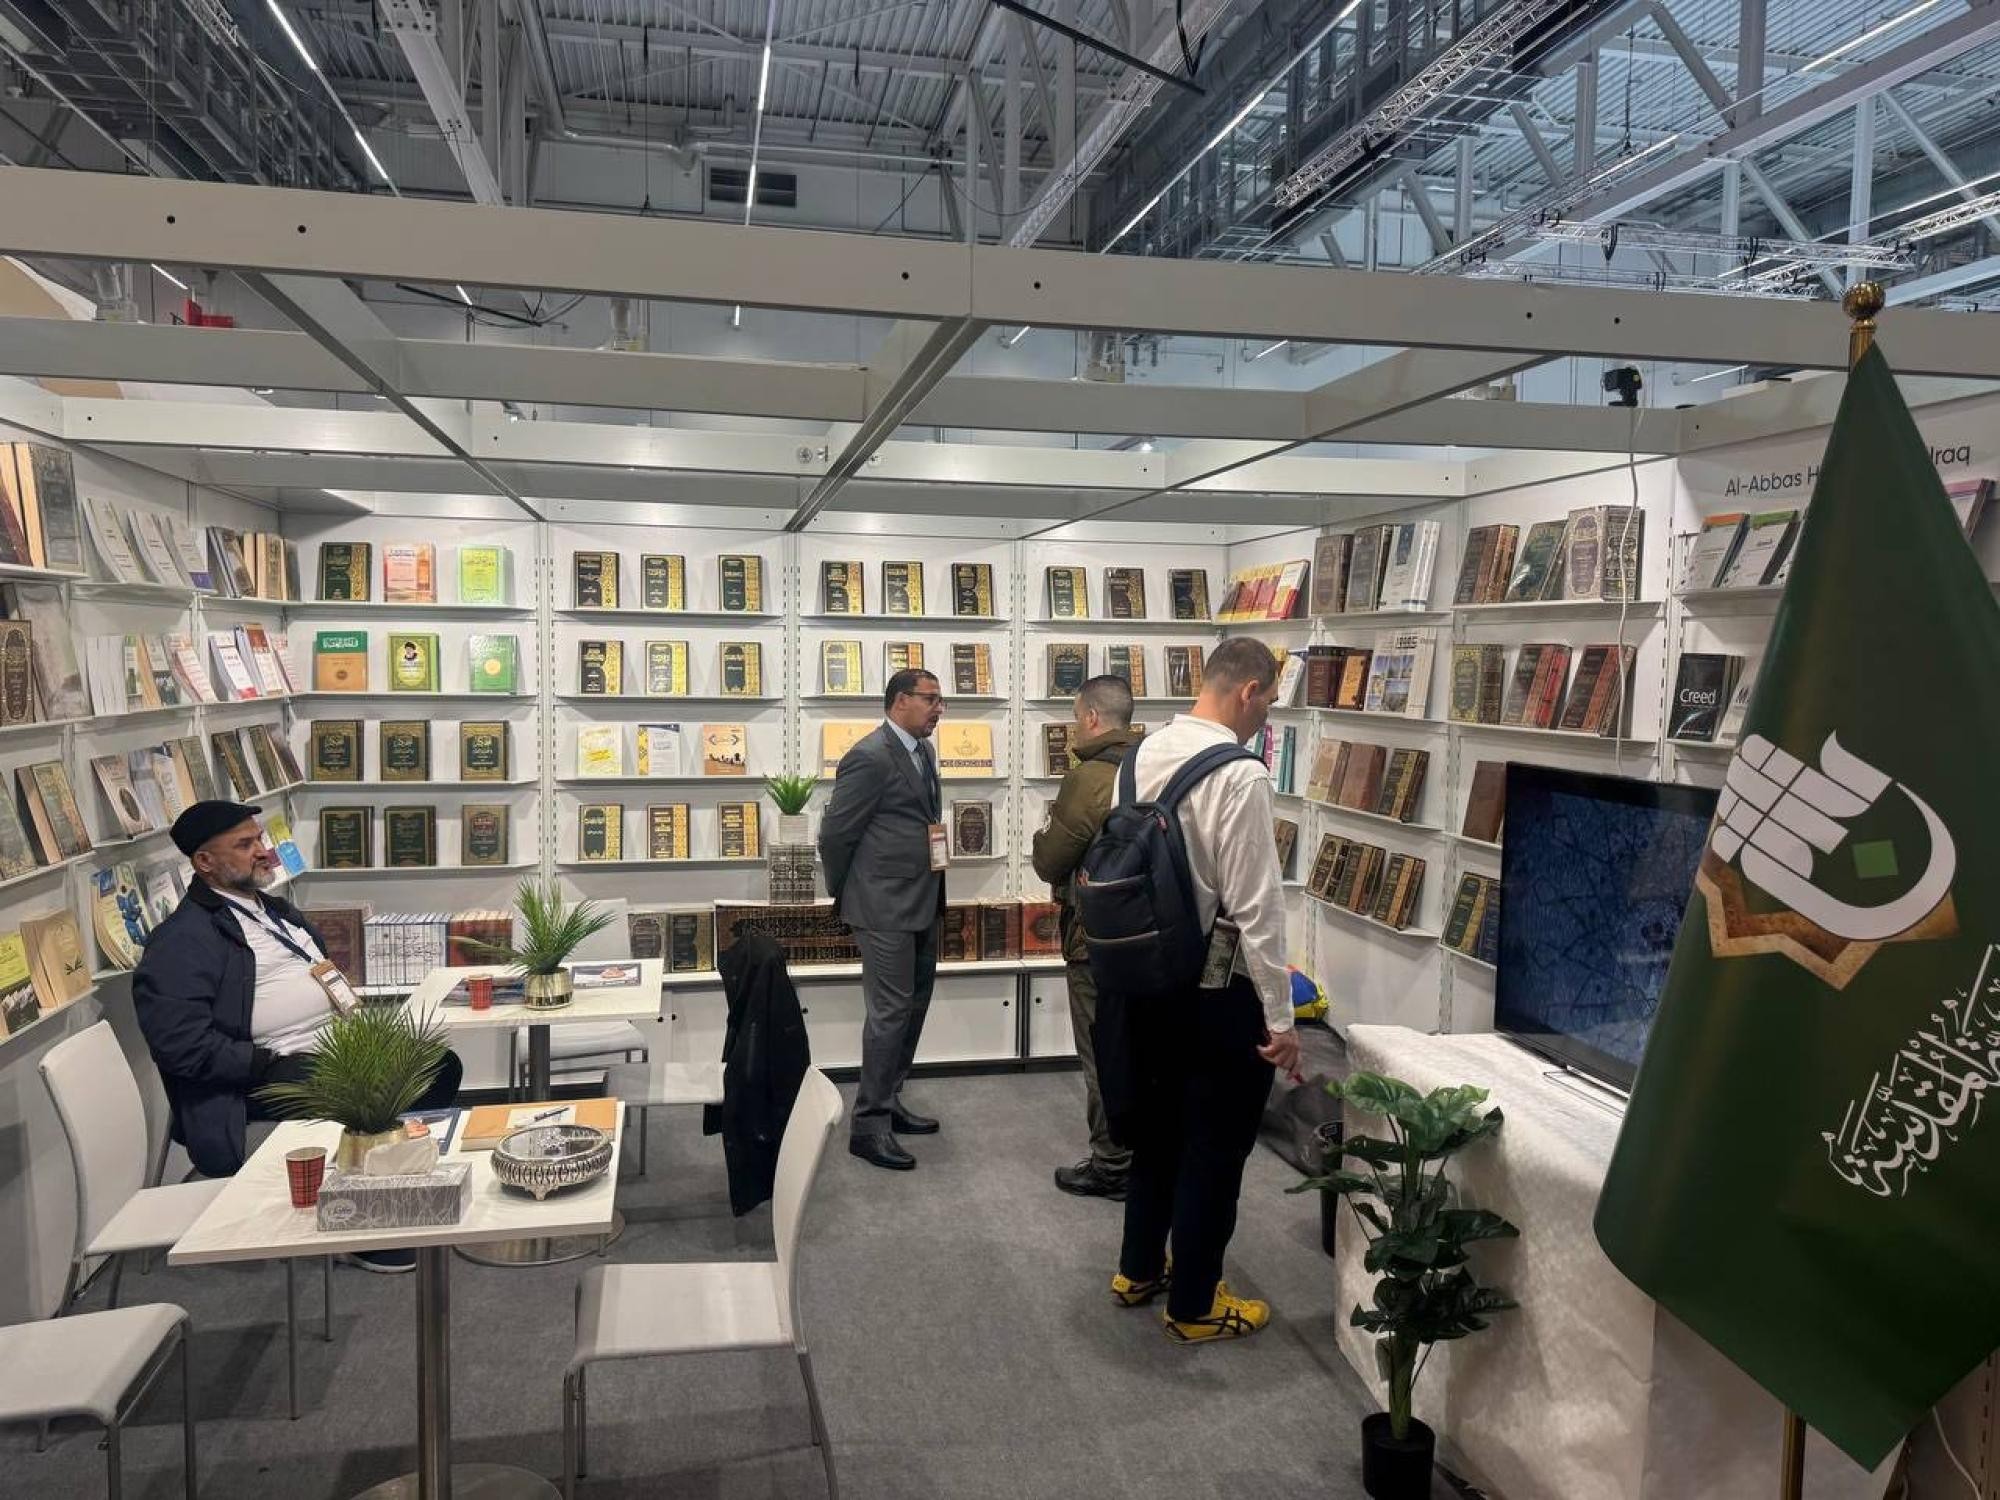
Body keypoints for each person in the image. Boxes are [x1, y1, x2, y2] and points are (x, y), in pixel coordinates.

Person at [134, 800, 463, 1272]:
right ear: (204, 861)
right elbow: (181, 1047)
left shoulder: (271, 909)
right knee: (372, 1093)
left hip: (326, 1049)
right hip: (259, 1078)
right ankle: (361, 1223)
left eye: (259, 839)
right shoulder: (181, 940)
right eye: (244, 845)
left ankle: (394, 1183)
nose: (262, 851)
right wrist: (265, 1064)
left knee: (437, 1065)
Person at [1104, 637, 1300, 1343]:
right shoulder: (1241, 775)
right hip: (1216, 993)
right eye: (1268, 701)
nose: (1266, 715)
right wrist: (1283, 1019)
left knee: (1157, 1131)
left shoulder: (1141, 754)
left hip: (1141, 979)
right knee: (1215, 1147)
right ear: (1248, 691)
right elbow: (1256, 907)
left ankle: (1137, 1268)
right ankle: (1194, 1306)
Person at [817, 668, 948, 1170]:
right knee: (890, 1012)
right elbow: (836, 835)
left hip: (922, 899)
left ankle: (889, 1099)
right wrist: (848, 890)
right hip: (882, 906)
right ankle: (868, 1126)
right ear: (899, 701)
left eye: (940, 700)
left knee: (914, 1006)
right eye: (930, 699)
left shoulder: (924, 751)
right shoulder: (869, 757)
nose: (938, 709)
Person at [1031, 674, 1144, 1201]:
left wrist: (1042, 835)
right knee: (1142, 1049)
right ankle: (1143, 1156)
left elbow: (1050, 859)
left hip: (1096, 938)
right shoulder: (1156, 766)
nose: (1076, 727)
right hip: (1152, 937)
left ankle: (1112, 1163)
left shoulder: (1089, 777)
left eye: (1077, 717)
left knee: (1102, 1051)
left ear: (1093, 718)